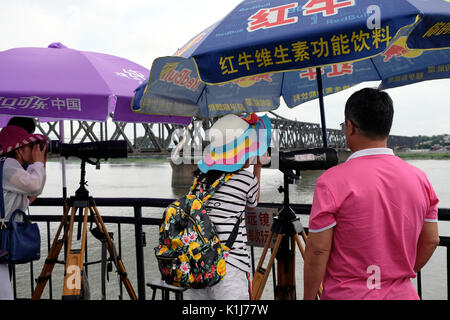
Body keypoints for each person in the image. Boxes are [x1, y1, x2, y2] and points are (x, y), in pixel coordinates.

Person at [303, 88, 440, 300]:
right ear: (387, 125)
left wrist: (309, 297)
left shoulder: (330, 182)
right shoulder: (420, 179)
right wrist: (396, 275)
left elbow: (318, 249)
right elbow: (431, 240)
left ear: (350, 127)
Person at [189, 113, 271, 300]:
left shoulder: (198, 179)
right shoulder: (245, 178)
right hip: (229, 265)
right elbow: (253, 202)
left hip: (197, 264)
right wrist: (257, 166)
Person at [0, 125, 47, 300]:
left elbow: (28, 194)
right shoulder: (8, 164)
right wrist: (38, 164)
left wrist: (39, 165)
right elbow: (34, 186)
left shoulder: (5, 166)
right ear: (19, 150)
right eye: (31, 146)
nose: (35, 149)